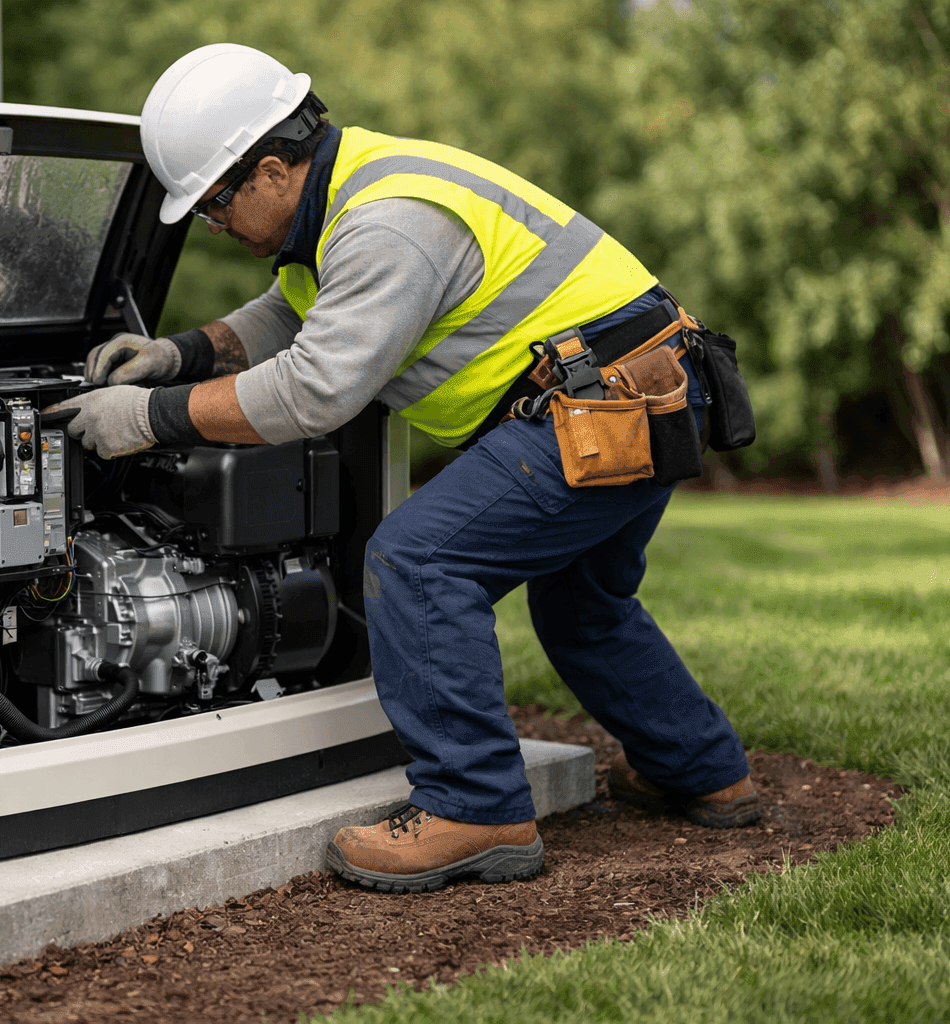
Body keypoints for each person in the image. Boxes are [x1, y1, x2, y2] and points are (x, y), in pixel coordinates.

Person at [46, 43, 760, 894]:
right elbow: (295, 309)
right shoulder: (352, 193)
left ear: (272, 171)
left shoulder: (389, 223)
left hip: (599, 405)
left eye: (213, 205)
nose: (215, 226)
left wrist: (147, 418)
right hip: (642, 393)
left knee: (419, 562)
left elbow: (314, 392)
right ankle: (704, 771)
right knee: (584, 605)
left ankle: (475, 808)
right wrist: (181, 354)